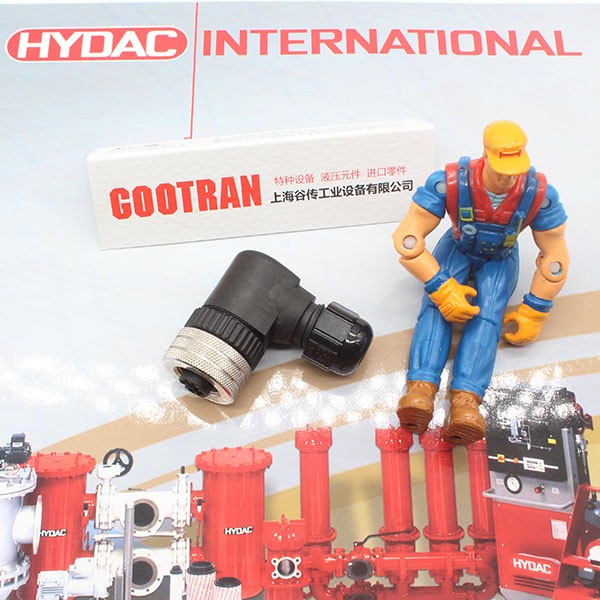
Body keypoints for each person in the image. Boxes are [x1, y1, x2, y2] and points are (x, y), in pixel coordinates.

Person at [392, 120, 569, 445]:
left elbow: (555, 256)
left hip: (500, 258)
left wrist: (536, 309)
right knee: (436, 309)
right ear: (485, 155)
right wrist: (441, 287)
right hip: (457, 248)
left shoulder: (537, 194)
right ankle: (420, 388)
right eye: (501, 171)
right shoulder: (450, 183)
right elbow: (408, 238)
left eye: (513, 171)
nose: (507, 179)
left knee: (487, 318)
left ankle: (466, 401)